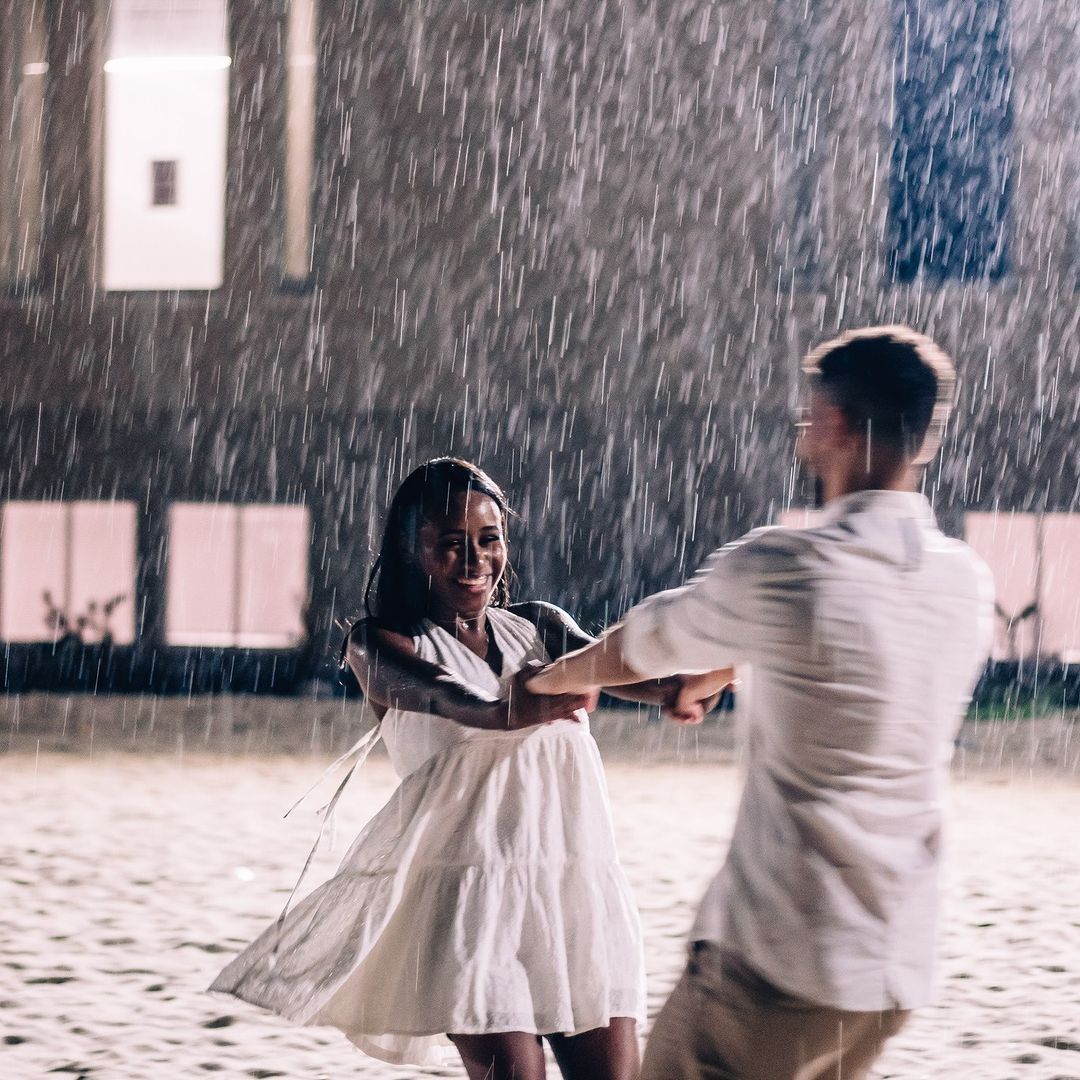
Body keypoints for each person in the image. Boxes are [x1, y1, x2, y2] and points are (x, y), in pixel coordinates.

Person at [528, 327, 995, 1080]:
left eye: (810, 417)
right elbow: (852, 664)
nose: (803, 435)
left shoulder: (785, 566)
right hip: (894, 965)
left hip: (780, 961)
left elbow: (631, 648)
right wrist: (728, 670)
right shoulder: (962, 582)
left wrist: (546, 679)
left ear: (836, 425)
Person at [212, 457, 686, 1080]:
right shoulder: (380, 644)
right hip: (468, 900)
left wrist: (686, 681)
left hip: (572, 889)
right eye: (451, 545)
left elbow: (630, 670)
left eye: (489, 541)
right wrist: (514, 704)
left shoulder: (539, 627)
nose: (474, 562)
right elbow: (452, 698)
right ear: (413, 551)